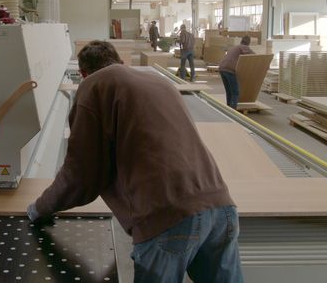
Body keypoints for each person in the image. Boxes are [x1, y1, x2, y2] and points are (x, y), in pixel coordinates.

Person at [27, 40, 243, 283]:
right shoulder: (160, 82)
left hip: (169, 215)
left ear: (84, 74)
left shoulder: (93, 87)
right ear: (120, 62)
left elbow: (81, 175)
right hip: (221, 207)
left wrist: (39, 208)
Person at [218, 35, 255, 109]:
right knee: (235, 92)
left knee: (229, 91)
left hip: (222, 68)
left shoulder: (235, 47)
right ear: (248, 43)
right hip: (229, 70)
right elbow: (254, 55)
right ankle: (233, 111)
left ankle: (228, 109)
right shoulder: (243, 47)